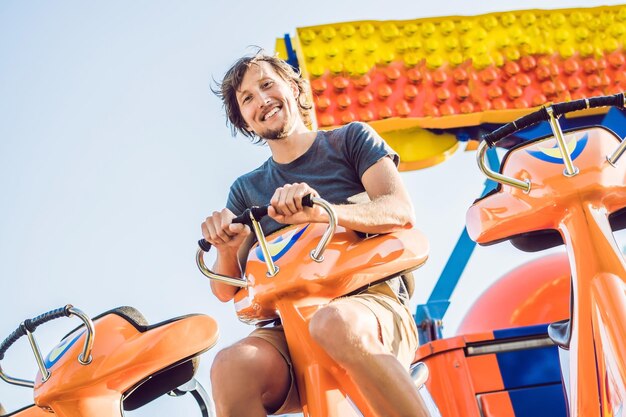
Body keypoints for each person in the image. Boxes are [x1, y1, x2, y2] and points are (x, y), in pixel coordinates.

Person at [202, 51, 429, 417]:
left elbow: (399, 210)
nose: (262, 100)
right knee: (231, 365)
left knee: (332, 322)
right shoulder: (246, 190)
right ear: (244, 121)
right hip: (288, 324)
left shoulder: (350, 140)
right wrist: (226, 250)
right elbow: (226, 288)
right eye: (247, 99)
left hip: (370, 303)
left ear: (292, 87)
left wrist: (323, 213)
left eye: (267, 85)